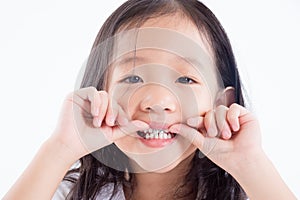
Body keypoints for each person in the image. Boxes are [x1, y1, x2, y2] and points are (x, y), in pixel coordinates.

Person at [4, 0, 296, 199]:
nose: (158, 101)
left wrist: (250, 164)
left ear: (222, 104)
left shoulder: (254, 190)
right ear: (99, 94)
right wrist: (60, 148)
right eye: (133, 78)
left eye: (186, 79)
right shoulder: (70, 192)